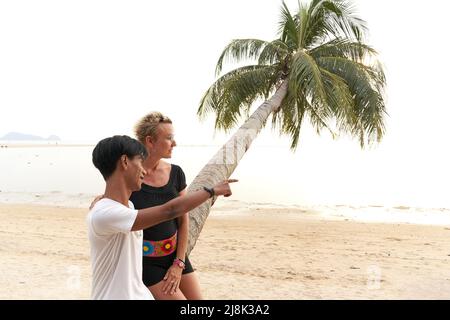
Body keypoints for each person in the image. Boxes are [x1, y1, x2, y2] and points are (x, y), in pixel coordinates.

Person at [87, 135, 236, 300]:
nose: (144, 171)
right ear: (125, 162)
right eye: (140, 162)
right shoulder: (105, 213)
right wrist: (212, 191)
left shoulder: (127, 207)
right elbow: (169, 211)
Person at [131, 112, 201, 299]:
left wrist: (178, 263)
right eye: (169, 138)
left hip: (175, 256)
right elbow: (115, 201)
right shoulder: (130, 176)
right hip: (147, 264)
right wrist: (102, 198)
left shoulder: (176, 173)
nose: (174, 143)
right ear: (150, 141)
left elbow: (183, 221)